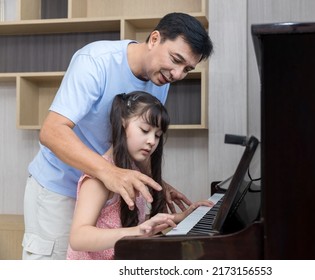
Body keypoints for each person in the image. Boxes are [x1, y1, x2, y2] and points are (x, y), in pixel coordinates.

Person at [22, 12, 214, 260]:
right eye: (176, 60)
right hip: (60, 188)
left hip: (104, 193)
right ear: (154, 39)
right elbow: (51, 131)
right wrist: (108, 172)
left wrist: (154, 183)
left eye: (187, 69)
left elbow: (131, 141)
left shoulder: (161, 78)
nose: (178, 75)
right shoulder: (95, 61)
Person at [66, 92, 212, 260]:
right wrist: (136, 232)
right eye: (145, 130)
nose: (152, 141)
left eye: (157, 135)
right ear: (122, 123)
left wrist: (181, 217)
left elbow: (122, 223)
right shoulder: (99, 178)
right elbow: (78, 238)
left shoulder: (133, 170)